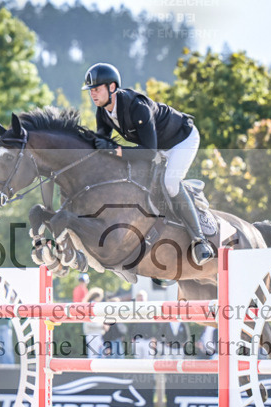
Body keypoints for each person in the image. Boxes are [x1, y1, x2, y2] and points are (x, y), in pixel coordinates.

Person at [83, 62, 214, 266]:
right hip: (158, 146)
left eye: (97, 89)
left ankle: (200, 240)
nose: (93, 94)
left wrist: (117, 151)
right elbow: (102, 146)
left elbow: (149, 152)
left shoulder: (137, 107)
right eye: (91, 90)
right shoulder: (103, 112)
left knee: (170, 182)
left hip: (182, 140)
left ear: (112, 87)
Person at [82, 287, 108, 358]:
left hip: (95, 334)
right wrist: (102, 326)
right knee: (94, 356)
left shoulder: (90, 305)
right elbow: (89, 322)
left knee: (98, 355)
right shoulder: (92, 305)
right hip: (93, 334)